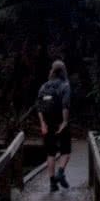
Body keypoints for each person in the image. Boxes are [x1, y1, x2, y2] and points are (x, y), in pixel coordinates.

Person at [37, 59, 71, 192]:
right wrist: (65, 122)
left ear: (52, 70)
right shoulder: (65, 85)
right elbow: (65, 105)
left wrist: (42, 124)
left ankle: (52, 183)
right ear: (63, 71)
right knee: (66, 151)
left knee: (50, 153)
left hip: (48, 123)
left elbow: (39, 107)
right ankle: (60, 173)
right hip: (60, 122)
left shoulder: (44, 86)